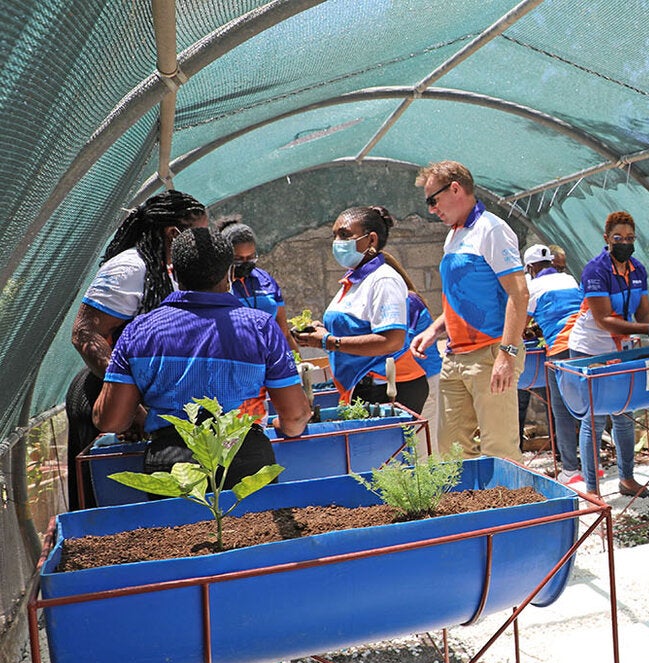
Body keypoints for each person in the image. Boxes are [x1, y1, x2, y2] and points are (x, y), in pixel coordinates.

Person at [93, 225, 311, 663]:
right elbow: (294, 417)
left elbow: (111, 419)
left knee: (181, 581)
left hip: (172, 462)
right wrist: (288, 431)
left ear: (171, 272)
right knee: (258, 573)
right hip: (246, 455)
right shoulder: (259, 327)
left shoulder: (140, 331)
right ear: (231, 271)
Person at [66, 190, 208, 509]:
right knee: (111, 508)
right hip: (103, 393)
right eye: (199, 235)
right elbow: (85, 333)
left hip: (141, 400)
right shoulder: (130, 268)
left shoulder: (170, 271)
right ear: (174, 233)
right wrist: (130, 405)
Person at [410, 161, 528, 459]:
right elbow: (460, 298)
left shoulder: (492, 229)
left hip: (491, 354)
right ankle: (467, 507)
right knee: (450, 450)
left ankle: (509, 506)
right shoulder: (454, 236)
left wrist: (507, 355)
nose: (431, 210)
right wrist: (433, 330)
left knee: (499, 450)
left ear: (455, 188)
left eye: (432, 200)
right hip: (454, 357)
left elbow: (519, 293)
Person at [564, 211, 649, 497]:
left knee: (624, 412)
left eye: (630, 238)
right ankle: (592, 489)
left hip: (621, 347)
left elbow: (643, 311)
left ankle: (627, 480)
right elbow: (604, 319)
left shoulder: (637, 269)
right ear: (606, 239)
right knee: (592, 417)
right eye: (618, 238)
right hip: (589, 348)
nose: (625, 243)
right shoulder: (596, 271)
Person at [293, 206, 433, 413]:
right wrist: (319, 332)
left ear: (371, 240)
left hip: (387, 389)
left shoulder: (383, 280)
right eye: (335, 236)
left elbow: (392, 341)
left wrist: (328, 341)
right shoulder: (353, 282)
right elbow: (358, 330)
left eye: (345, 235)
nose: (337, 242)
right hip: (361, 388)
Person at [522, 244, 585, 479]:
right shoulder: (569, 279)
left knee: (561, 410)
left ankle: (570, 470)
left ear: (530, 267)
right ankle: (593, 466)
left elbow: (520, 326)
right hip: (584, 347)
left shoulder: (531, 286)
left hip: (559, 349)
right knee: (587, 407)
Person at [218, 219, 299, 351]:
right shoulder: (217, 285)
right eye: (238, 259)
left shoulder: (264, 279)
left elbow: (284, 334)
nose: (245, 263)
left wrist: (299, 365)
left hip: (272, 357)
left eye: (251, 257)